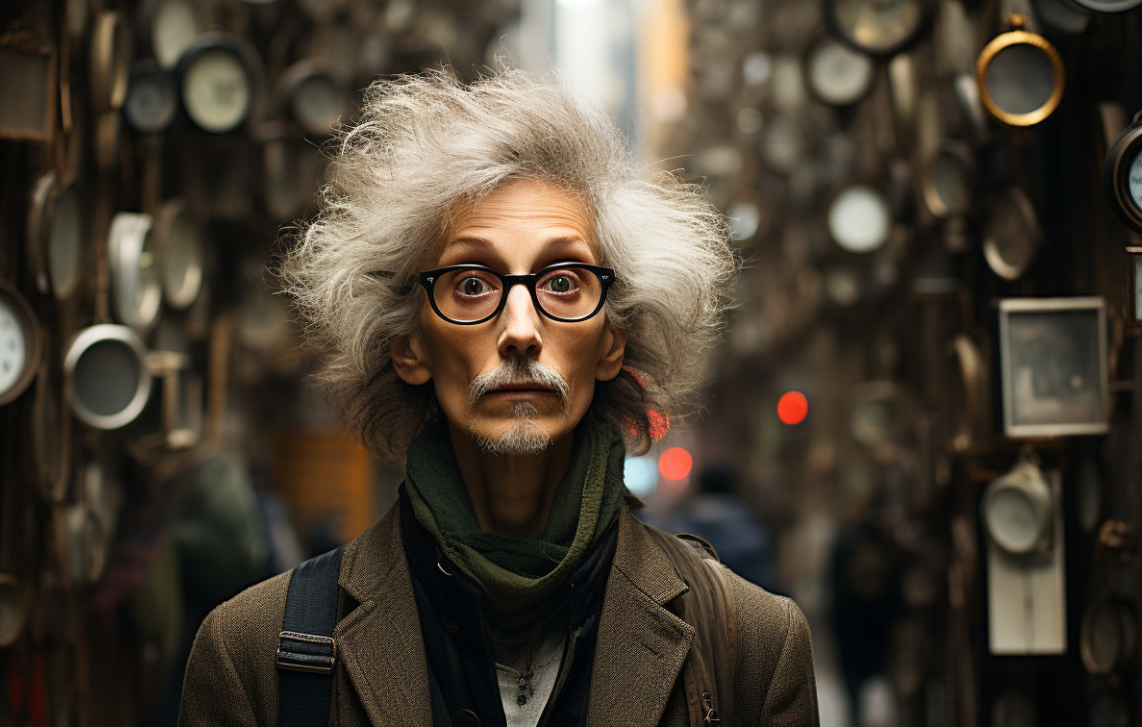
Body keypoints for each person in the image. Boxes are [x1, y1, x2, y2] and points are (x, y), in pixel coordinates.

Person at [178, 68, 819, 726]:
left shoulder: (753, 650)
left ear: (612, 344)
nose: (519, 330)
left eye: (564, 282)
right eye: (473, 284)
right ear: (409, 344)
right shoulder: (252, 655)